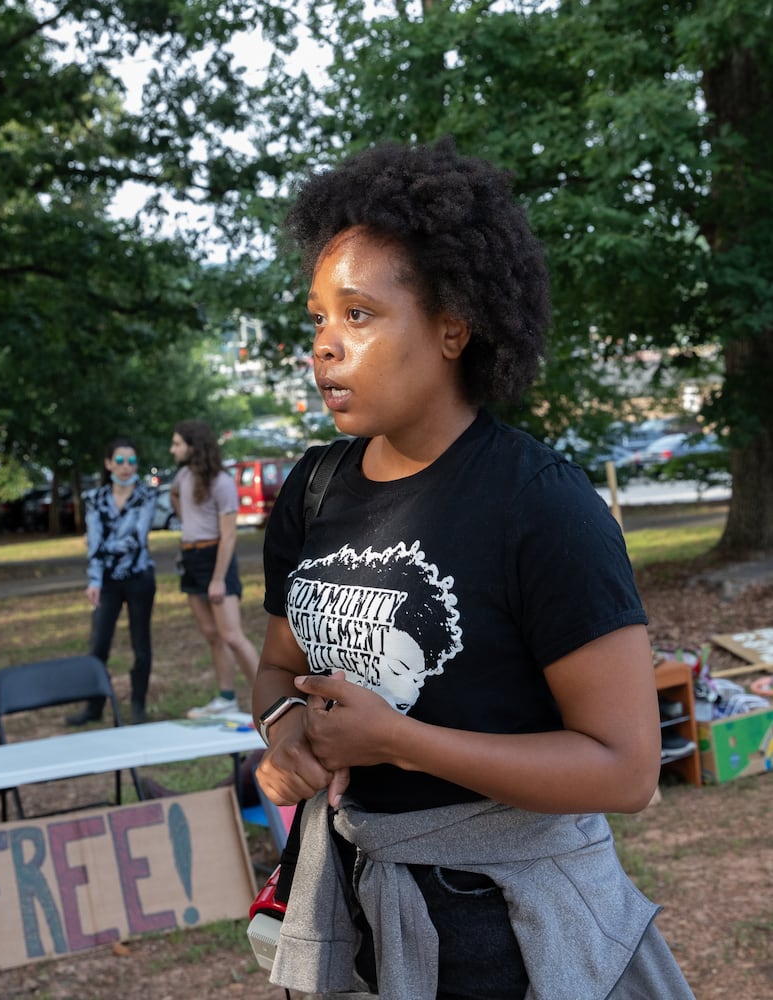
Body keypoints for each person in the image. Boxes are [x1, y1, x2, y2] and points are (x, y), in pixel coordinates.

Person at [252, 138, 695, 999]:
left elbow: (626, 768)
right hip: (354, 906)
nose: (324, 348)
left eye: (359, 315)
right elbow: (276, 668)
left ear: (453, 325)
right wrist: (282, 733)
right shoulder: (313, 489)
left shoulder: (541, 505)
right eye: (317, 319)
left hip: (505, 926)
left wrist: (399, 741)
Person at [169, 419, 259, 718]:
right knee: (211, 634)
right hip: (191, 558)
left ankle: (275, 703)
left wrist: (218, 579)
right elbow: (177, 500)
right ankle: (226, 698)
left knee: (232, 635)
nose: (173, 449)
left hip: (215, 558)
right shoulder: (183, 476)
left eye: (178, 443)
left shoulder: (221, 481)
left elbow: (229, 534)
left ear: (194, 446)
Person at [67, 437, 157, 727]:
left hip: (139, 577)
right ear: (108, 464)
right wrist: (94, 580)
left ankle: (138, 706)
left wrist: (102, 545)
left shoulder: (147, 496)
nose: (126, 467)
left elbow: (136, 539)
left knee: (140, 643)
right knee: (98, 645)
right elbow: (93, 541)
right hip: (106, 581)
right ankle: (94, 707)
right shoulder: (94, 499)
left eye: (131, 461)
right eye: (119, 460)